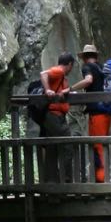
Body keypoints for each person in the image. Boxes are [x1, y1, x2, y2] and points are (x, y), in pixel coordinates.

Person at [75, 42, 111, 182]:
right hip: (107, 111)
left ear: (85, 57)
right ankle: (102, 177)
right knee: (103, 144)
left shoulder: (88, 67)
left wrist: (72, 88)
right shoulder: (102, 67)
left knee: (98, 145)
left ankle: (101, 180)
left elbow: (88, 80)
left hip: (97, 114)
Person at [39, 52, 75, 183]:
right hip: (55, 116)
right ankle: (65, 179)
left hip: (54, 116)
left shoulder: (61, 76)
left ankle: (52, 180)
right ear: (69, 64)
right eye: (72, 66)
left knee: (52, 148)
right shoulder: (59, 71)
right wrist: (48, 90)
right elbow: (43, 74)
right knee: (68, 146)